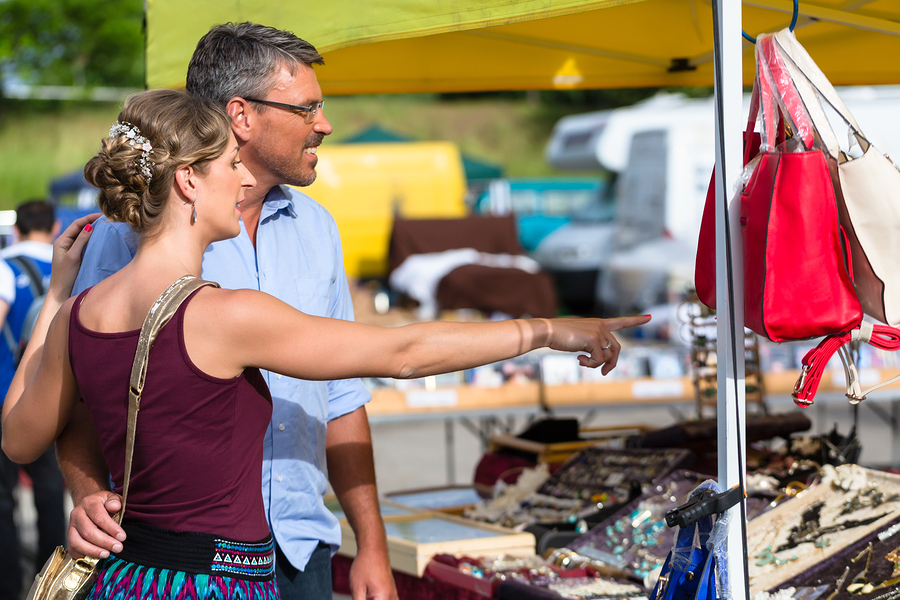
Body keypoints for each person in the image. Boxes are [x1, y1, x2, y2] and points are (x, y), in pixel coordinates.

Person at [1, 89, 648, 599]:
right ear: (188, 182)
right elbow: (402, 353)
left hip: (127, 581)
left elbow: (18, 438)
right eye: (230, 164)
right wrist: (543, 331)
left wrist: (56, 297)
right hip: (218, 584)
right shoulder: (223, 315)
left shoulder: (79, 313)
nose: (245, 181)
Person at [58, 22, 396, 600]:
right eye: (308, 107)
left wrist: (372, 545)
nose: (325, 123)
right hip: (179, 563)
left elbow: (342, 398)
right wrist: (86, 491)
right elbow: (78, 391)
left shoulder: (318, 227)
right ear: (242, 115)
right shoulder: (128, 235)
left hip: (299, 548)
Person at [0, 200, 66, 600]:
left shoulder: (4, 265)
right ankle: (54, 585)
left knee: (3, 499)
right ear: (55, 225)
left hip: (8, 397)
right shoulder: (71, 265)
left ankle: (9, 586)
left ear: (18, 229)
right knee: (51, 491)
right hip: (56, 398)